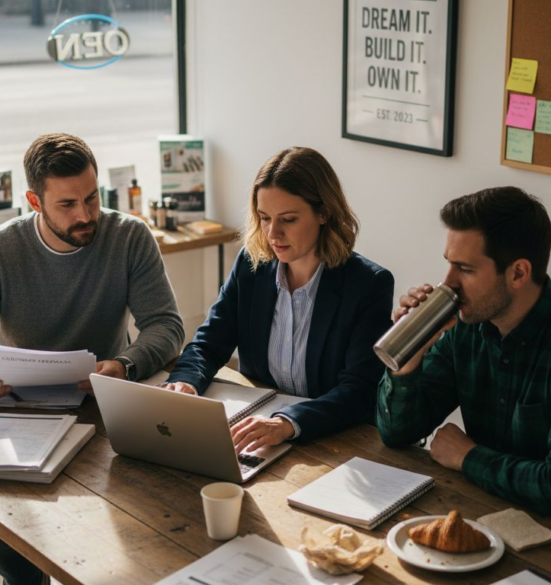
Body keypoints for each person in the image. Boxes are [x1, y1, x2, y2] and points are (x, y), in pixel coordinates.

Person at [0, 132, 184, 585]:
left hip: (102, 408)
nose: (86, 215)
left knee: (142, 526)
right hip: (16, 411)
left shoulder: (129, 238)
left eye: (92, 198)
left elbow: (166, 325)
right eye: (67, 205)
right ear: (34, 200)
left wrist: (124, 365)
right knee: (13, 543)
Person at [377, 186, 551, 530]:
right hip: (494, 516)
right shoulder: (467, 327)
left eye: (465, 269)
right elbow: (397, 433)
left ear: (518, 273)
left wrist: (468, 456)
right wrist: (410, 357)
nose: (448, 283)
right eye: (448, 265)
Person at [162, 147, 394, 452]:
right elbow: (209, 342)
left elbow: (360, 390)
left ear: (324, 212)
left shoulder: (368, 284)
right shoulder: (251, 265)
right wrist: (186, 382)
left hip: (332, 438)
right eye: (264, 218)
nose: (273, 233)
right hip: (258, 430)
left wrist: (287, 422)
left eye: (288, 219)